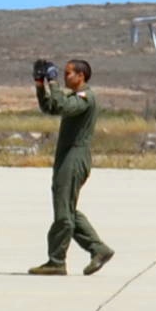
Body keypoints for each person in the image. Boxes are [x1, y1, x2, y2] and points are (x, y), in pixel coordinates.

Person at [32, 56, 114, 277]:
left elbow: (61, 105)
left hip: (75, 156)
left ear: (81, 76)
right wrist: (41, 85)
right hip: (67, 156)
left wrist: (54, 83)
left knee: (63, 212)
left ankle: (56, 260)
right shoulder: (76, 97)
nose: (64, 76)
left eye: (68, 73)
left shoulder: (86, 98)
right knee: (66, 208)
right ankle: (99, 249)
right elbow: (51, 107)